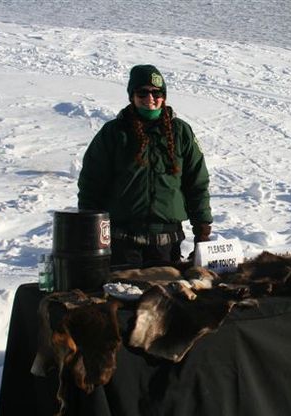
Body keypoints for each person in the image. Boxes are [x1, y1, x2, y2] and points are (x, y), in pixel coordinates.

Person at [78, 64, 212, 267]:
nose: (150, 98)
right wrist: (89, 228)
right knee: (123, 295)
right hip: (123, 240)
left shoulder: (181, 132)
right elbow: (91, 183)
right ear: (132, 95)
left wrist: (202, 231)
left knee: (165, 296)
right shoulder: (114, 133)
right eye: (142, 92)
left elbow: (197, 183)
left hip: (167, 240)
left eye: (156, 93)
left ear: (164, 96)